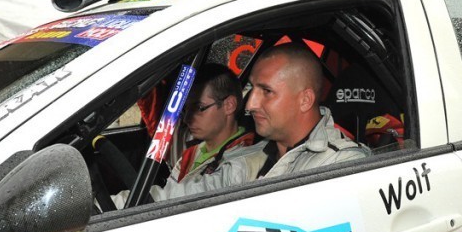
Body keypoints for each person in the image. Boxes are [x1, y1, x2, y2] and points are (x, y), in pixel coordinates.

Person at [143, 42, 369, 203]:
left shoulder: (344, 165)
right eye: (251, 89)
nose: (250, 104)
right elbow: (177, 198)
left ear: (305, 100)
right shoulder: (248, 159)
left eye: (266, 91)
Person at [173, 63, 255, 182]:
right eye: (185, 109)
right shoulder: (189, 155)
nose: (186, 119)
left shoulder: (244, 159)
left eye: (199, 108)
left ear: (229, 105)